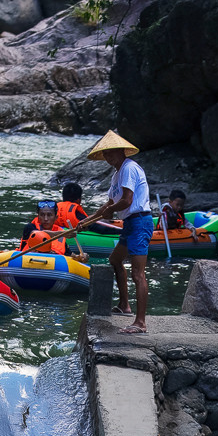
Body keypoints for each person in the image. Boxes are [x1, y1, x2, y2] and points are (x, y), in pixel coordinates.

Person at [88, 128, 153, 333]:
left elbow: (127, 200)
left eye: (111, 152)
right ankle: (124, 305)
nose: (108, 156)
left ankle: (140, 323)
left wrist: (109, 210)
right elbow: (108, 204)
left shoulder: (129, 168)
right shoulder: (116, 175)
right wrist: (86, 222)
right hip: (129, 224)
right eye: (105, 153)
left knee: (138, 274)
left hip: (140, 222)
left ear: (122, 151)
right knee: (115, 260)